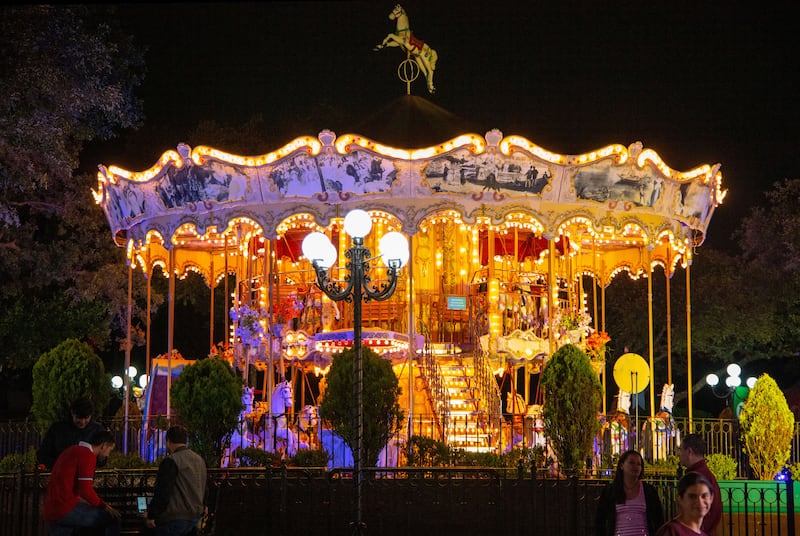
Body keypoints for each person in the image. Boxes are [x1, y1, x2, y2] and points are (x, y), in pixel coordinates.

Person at [42, 429, 121, 535]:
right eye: (109, 450)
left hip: (52, 508)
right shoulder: (87, 455)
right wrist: (104, 506)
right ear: (104, 445)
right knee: (112, 518)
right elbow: (86, 490)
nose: (108, 455)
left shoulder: (72, 450)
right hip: (65, 508)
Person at [146, 426, 207, 535]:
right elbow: (205, 487)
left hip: (174, 519)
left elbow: (163, 492)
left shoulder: (171, 461)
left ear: (168, 441)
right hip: (195, 519)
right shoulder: (199, 460)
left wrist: (152, 515)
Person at [595, 449, 664, 536]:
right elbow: (600, 520)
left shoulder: (649, 491)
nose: (635, 466)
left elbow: (658, 519)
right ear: (622, 466)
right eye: (631, 463)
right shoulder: (610, 491)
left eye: (639, 464)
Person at [37, 396, 105, 470]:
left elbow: (100, 461)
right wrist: (62, 464)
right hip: (61, 474)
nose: (82, 422)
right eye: (78, 418)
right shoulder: (58, 429)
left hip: (86, 475)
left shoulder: (97, 430)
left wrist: (102, 458)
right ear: (72, 413)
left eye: (86, 418)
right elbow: (42, 454)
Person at [678, 434, 722, 535]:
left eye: (681, 450)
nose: (679, 454)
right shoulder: (705, 474)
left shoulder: (697, 478)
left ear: (689, 452)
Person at [656, 471, 715, 536]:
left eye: (704, 496)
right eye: (692, 497)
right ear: (680, 499)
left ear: (711, 498)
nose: (699, 502)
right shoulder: (671, 532)